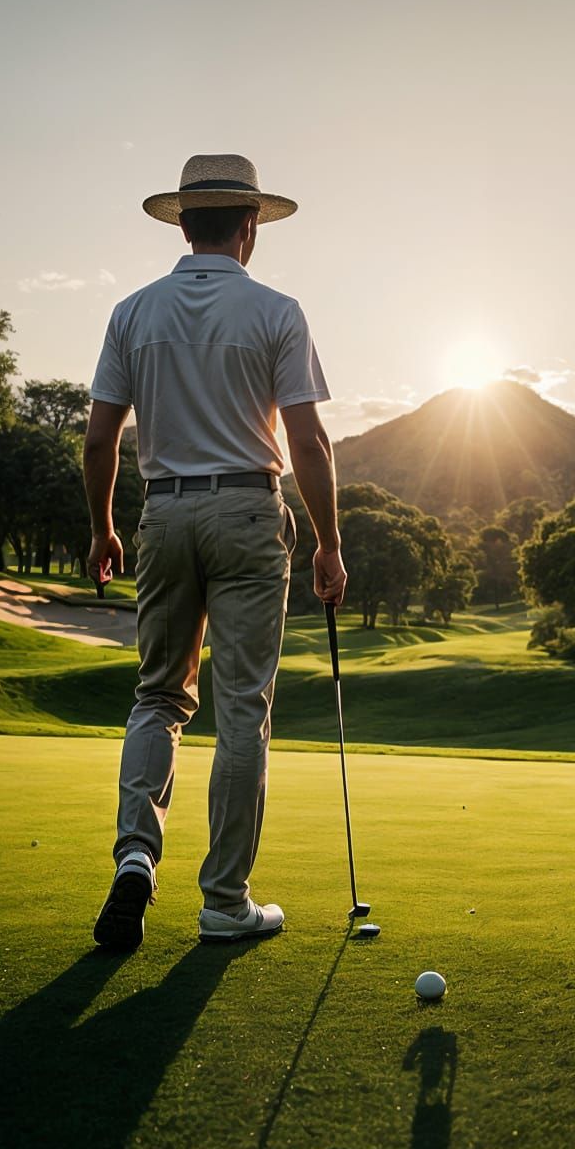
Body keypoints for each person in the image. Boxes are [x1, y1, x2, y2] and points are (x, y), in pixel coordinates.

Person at [84, 153, 347, 951]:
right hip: (247, 511)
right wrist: (330, 541)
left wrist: (101, 528)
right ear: (250, 226)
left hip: (163, 513)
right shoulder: (277, 310)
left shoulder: (133, 312)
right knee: (241, 709)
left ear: (183, 224)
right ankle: (225, 901)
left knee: (159, 697)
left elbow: (100, 439)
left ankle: (136, 855)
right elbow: (308, 440)